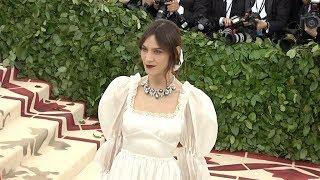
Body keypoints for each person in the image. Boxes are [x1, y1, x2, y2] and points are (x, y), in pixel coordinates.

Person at [95, 19, 218, 180]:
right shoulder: (124, 89)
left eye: (157, 51)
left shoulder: (191, 99)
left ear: (175, 52)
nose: (148, 58)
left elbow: (192, 158)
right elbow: (113, 143)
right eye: (145, 49)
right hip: (124, 172)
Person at [142, 0, 208, 27]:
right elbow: (155, 15)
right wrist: (154, 6)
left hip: (184, 40)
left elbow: (201, 20)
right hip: (158, 33)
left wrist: (179, 9)